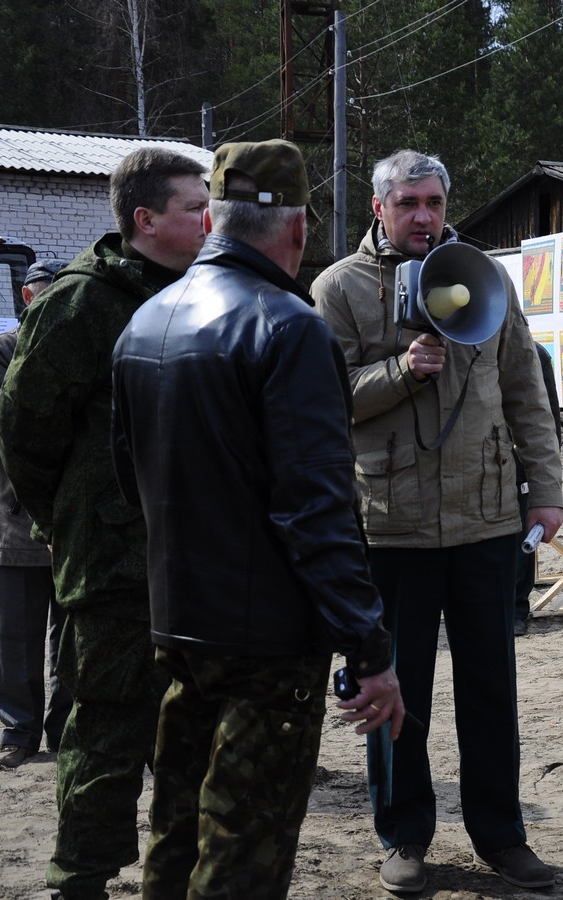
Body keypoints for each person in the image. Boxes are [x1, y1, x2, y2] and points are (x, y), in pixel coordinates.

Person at [110, 139, 405, 900]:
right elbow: (317, 506)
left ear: (212, 219)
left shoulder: (145, 321)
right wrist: (368, 648)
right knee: (244, 851)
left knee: (175, 831)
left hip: (177, 624)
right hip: (267, 646)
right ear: (299, 231)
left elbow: (127, 477)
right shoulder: (289, 327)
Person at [311, 149, 563, 894]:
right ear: (378, 207)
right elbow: (325, 400)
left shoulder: (481, 275)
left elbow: (525, 390)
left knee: (491, 688)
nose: (424, 216)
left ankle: (501, 837)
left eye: (434, 201)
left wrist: (543, 490)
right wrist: (400, 371)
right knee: (397, 689)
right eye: (409, 203)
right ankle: (404, 835)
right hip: (390, 526)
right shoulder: (339, 289)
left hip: (486, 517)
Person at [0, 146, 208, 900]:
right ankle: (79, 879)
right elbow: (24, 429)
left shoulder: (199, 292)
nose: (209, 219)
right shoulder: (83, 303)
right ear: (146, 219)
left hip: (196, 561)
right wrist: (76, 519)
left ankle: (176, 875)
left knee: (192, 730)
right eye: (193, 207)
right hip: (116, 565)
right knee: (109, 729)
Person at [0, 258, 72, 771]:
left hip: (72, 522)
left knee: (69, 638)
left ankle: (62, 731)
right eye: (45, 295)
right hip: (16, 522)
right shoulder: (0, 350)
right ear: (28, 297)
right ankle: (17, 732)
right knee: (17, 634)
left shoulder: (79, 351)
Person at [513, 341, 562, 636]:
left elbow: (547, 418)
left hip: (518, 462)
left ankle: (517, 608)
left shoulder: (533, 352)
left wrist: (547, 477)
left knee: (521, 538)